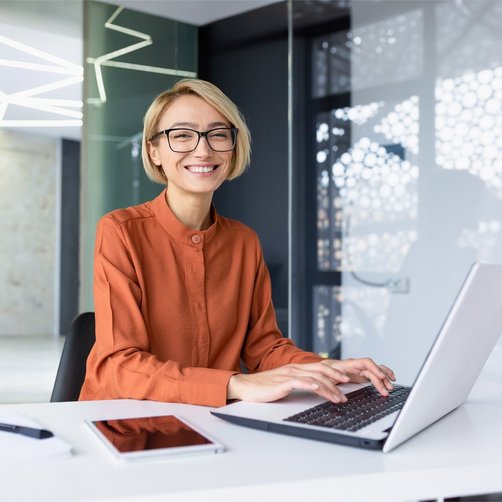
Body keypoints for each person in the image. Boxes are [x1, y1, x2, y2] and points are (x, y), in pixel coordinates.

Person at [79, 78, 395, 407]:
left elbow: (264, 349)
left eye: (218, 134)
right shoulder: (121, 231)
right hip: (124, 422)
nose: (203, 150)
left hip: (213, 422)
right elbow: (120, 364)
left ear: (233, 148)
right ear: (153, 150)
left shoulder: (243, 242)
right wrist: (235, 384)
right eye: (182, 135)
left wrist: (327, 368)